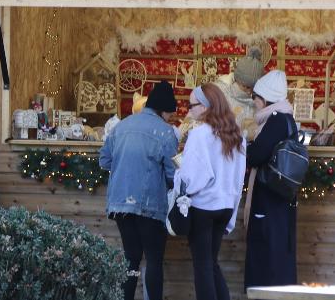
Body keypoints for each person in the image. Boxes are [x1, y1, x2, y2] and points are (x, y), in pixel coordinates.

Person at [99, 81, 179, 300]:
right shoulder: (166, 133)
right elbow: (173, 174)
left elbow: (104, 161)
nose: (171, 119)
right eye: (170, 114)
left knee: (131, 258)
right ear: (163, 111)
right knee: (153, 259)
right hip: (150, 205)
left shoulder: (121, 126)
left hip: (119, 204)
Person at [176, 84, 246, 300]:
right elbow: (238, 176)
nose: (189, 111)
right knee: (211, 263)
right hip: (225, 206)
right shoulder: (237, 136)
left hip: (203, 206)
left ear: (206, 107)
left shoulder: (199, 135)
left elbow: (192, 178)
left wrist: (178, 176)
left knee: (203, 266)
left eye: (192, 105)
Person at [244, 70, 298, 289]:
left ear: (265, 99)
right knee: (278, 255)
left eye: (255, 98)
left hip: (269, 200)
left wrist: (245, 147)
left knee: (266, 257)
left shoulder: (275, 121)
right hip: (281, 200)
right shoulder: (286, 118)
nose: (254, 102)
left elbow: (257, 155)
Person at [213, 48, 265, 140]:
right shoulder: (219, 93)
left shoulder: (258, 101)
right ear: (237, 80)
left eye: (253, 88)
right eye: (246, 87)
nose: (249, 91)